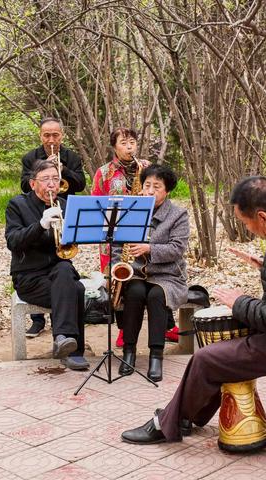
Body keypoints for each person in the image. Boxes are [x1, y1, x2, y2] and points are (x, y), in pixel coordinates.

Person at [121, 176, 266, 444]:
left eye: (246, 223)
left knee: (206, 358)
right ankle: (185, 415)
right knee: (221, 352)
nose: (249, 228)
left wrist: (239, 302)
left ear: (264, 217)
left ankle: (168, 425)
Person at [91, 128, 177, 347]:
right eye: (123, 143)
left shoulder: (146, 168)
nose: (129, 147)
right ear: (114, 147)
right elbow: (95, 204)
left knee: (154, 273)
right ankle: (123, 329)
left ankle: (167, 324)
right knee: (119, 280)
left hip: (145, 232)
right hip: (114, 235)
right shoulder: (104, 173)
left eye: (132, 142)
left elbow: (162, 194)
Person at [6, 159, 89, 370]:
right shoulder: (17, 205)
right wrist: (41, 226)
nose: (51, 184)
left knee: (65, 272)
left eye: (55, 179)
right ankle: (73, 349)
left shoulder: (65, 204)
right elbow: (13, 242)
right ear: (33, 184)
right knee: (75, 288)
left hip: (58, 270)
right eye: (45, 179)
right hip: (29, 278)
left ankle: (63, 339)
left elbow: (73, 241)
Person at [116, 164, 189, 382]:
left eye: (156, 187)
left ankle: (156, 355)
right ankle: (129, 351)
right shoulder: (132, 210)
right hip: (137, 272)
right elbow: (119, 244)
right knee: (135, 293)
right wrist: (116, 264)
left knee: (157, 295)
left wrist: (150, 249)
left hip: (168, 275)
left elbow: (178, 248)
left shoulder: (178, 215)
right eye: (147, 185)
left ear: (167, 191)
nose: (149, 191)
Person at [20, 118, 86, 338]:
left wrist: (62, 170)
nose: (51, 139)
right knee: (44, 260)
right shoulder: (30, 157)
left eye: (55, 135)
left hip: (63, 208)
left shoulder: (72, 157)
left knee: (63, 263)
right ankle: (39, 322)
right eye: (46, 135)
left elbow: (80, 183)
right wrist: (44, 173)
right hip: (37, 208)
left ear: (62, 135)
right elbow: (23, 185)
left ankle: (67, 341)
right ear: (40, 136)